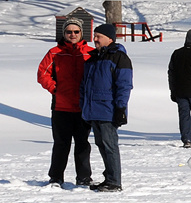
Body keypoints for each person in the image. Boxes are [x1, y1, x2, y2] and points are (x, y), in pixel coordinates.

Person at [37, 17, 93, 187]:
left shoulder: (90, 52)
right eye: (69, 32)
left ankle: (83, 178)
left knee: (83, 144)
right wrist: (56, 89)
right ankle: (55, 177)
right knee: (61, 144)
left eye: (76, 32)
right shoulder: (54, 52)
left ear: (81, 33)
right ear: (64, 33)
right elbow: (42, 74)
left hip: (83, 107)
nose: (72, 34)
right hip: (61, 107)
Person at [80, 23, 133, 192]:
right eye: (95, 36)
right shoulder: (94, 58)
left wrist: (120, 109)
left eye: (98, 36)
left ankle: (115, 181)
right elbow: (85, 85)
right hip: (93, 109)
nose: (95, 39)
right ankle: (109, 178)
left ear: (109, 38)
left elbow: (124, 86)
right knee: (101, 144)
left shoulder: (119, 57)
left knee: (110, 145)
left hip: (108, 110)